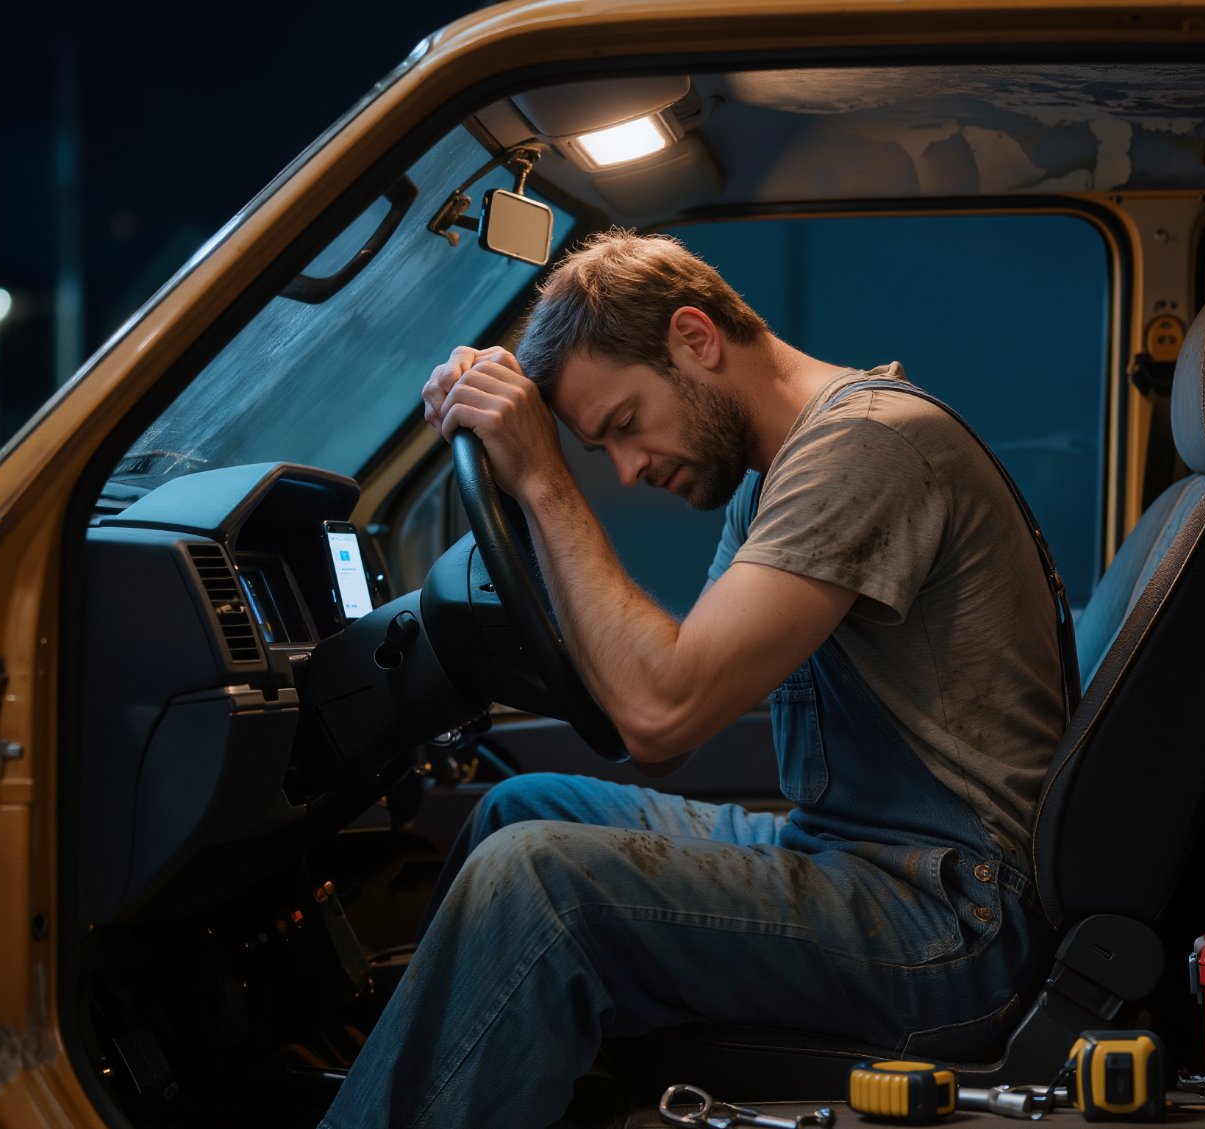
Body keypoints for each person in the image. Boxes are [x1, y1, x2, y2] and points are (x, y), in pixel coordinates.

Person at [321, 231, 1070, 1129]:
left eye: (625, 425)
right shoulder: (779, 476)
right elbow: (653, 682)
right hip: (860, 862)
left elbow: (660, 712)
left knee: (542, 880)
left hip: (951, 923)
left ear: (695, 339)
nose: (630, 469)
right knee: (520, 809)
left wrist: (548, 486)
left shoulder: (866, 447)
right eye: (603, 451)